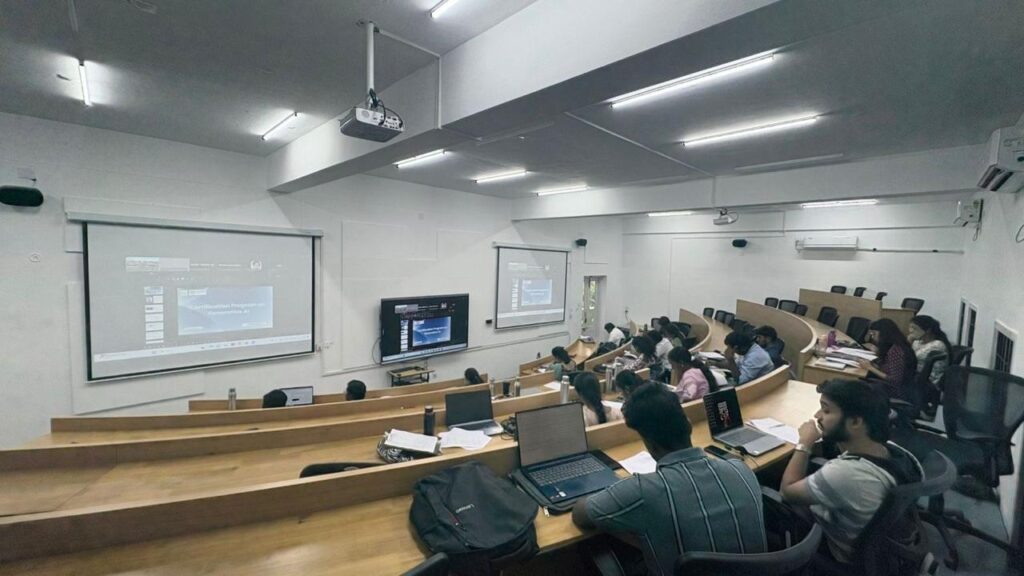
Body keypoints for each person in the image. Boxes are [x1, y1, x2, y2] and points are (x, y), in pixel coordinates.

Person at [573, 383, 766, 575]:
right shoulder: (741, 469)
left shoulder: (642, 491)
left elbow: (580, 515)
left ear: (650, 445)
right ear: (688, 426)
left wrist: (615, 494)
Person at [780, 379, 922, 565]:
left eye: (826, 410)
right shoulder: (899, 453)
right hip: (879, 547)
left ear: (855, 421)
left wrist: (804, 443)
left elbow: (787, 491)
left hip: (839, 553)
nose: (817, 415)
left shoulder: (845, 474)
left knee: (768, 494)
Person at [859, 318, 916, 400]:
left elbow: (894, 380)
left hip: (895, 390)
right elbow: (887, 368)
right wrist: (873, 364)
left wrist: (870, 367)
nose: (873, 338)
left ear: (884, 334)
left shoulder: (897, 350)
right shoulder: (892, 346)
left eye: (874, 334)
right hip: (885, 384)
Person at [908, 315, 951, 386]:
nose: (910, 331)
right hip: (917, 376)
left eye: (914, 328)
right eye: (910, 327)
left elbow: (910, 358)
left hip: (930, 381)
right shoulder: (917, 342)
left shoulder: (937, 345)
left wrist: (908, 342)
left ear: (928, 330)